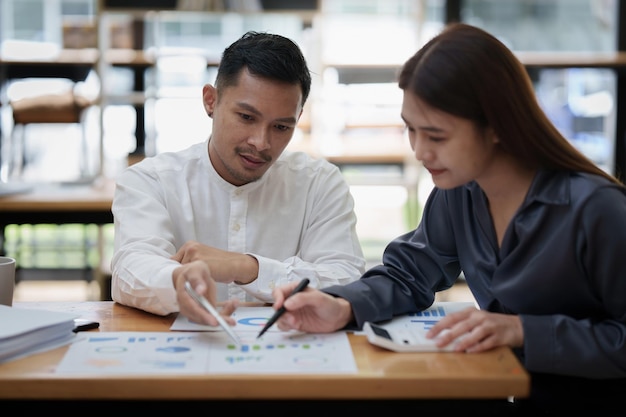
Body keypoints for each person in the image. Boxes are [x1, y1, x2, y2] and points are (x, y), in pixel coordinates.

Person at [263, 23, 626, 415]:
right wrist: (342, 306)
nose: (419, 151)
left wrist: (523, 330)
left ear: (497, 126)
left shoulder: (596, 209)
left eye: (436, 136)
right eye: (411, 130)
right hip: (501, 388)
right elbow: (409, 274)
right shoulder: (459, 194)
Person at [109, 31, 366, 322]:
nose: (261, 142)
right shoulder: (150, 181)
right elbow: (130, 271)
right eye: (246, 117)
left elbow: (346, 280)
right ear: (210, 101)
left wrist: (247, 268)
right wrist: (178, 281)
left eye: (281, 127)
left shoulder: (320, 184)